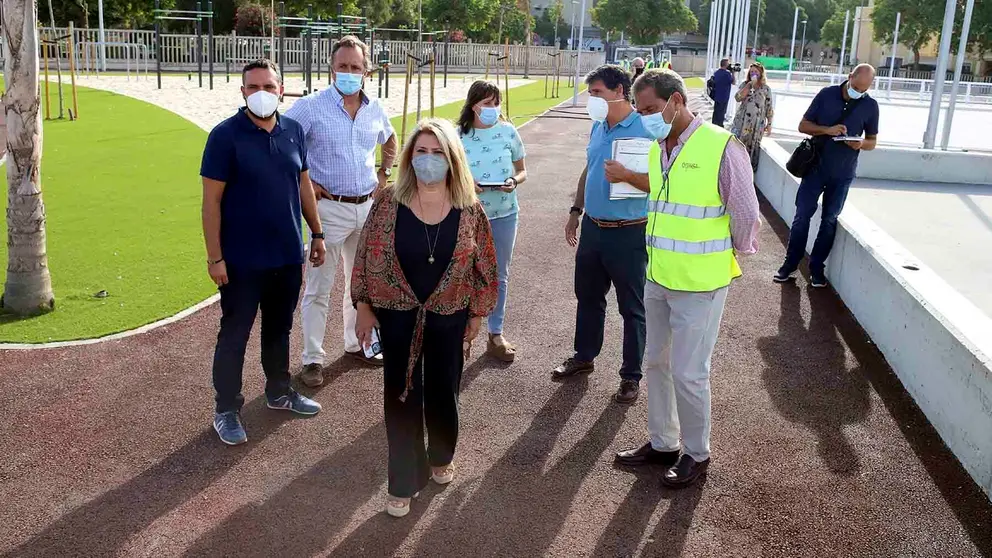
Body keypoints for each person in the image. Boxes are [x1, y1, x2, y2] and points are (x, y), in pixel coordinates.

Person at [614, 69, 761, 487]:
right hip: (658, 276)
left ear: (676, 100)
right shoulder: (657, 147)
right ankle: (663, 443)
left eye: (650, 108)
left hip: (700, 283)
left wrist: (734, 254)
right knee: (656, 362)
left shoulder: (720, 145)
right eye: (640, 109)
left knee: (689, 371)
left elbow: (745, 211)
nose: (645, 117)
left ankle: (697, 453)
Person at [352, 118, 498, 518]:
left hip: (449, 313)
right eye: (421, 151)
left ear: (452, 159)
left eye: (438, 152)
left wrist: (478, 313)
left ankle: (441, 454)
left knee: (442, 390)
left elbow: (485, 263)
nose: (429, 160)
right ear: (408, 157)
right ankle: (402, 480)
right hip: (396, 315)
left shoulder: (470, 208)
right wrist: (363, 305)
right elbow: (366, 254)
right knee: (400, 397)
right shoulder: (387, 201)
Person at [200, 59, 327, 446]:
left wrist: (317, 233)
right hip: (240, 261)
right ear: (242, 93)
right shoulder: (225, 136)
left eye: (268, 87)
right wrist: (215, 257)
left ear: (281, 90)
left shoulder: (293, 131)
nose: (261, 94)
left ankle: (278, 391)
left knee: (279, 329)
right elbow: (210, 203)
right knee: (235, 333)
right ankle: (226, 408)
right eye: (252, 87)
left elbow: (303, 185)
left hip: (287, 255)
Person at [285, 35, 399, 387]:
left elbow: (391, 140)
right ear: (331, 68)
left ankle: (357, 344)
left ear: (367, 71)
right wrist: (306, 182)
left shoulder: (374, 108)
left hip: (366, 207)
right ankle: (312, 360)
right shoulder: (310, 107)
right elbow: (281, 140)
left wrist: (384, 172)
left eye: (356, 67)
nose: (349, 72)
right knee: (319, 286)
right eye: (343, 66)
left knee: (361, 284)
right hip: (327, 210)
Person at [555, 64, 653, 404]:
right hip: (594, 229)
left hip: (629, 233)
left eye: (596, 92)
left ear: (619, 92)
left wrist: (627, 175)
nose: (591, 99)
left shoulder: (647, 128)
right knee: (588, 298)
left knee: (632, 308)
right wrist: (575, 211)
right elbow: (590, 168)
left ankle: (630, 376)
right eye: (590, 93)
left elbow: (662, 183)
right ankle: (584, 357)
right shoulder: (598, 126)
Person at [774, 64, 878, 288]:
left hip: (843, 174)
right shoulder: (827, 94)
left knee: (829, 221)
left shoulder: (870, 105)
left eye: (864, 90)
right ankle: (790, 265)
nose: (859, 93)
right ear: (849, 77)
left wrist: (860, 143)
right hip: (814, 169)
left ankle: (816, 269)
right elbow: (803, 126)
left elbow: (872, 142)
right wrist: (827, 130)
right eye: (856, 88)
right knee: (802, 216)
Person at [457, 81, 528, 362]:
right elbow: (445, 174)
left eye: (496, 103)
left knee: (499, 273)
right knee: (462, 271)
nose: (492, 109)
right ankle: (460, 330)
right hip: (466, 214)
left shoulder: (508, 132)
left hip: (504, 213)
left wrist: (513, 180)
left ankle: (495, 333)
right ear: (473, 105)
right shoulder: (457, 135)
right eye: (487, 103)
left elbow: (522, 171)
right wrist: (466, 183)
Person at [731, 62, 774, 170]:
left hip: (757, 123)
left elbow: (769, 108)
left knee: (753, 147)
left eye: (756, 71)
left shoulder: (766, 89)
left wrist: (769, 124)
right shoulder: (745, 84)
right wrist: (749, 85)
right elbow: (738, 97)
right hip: (742, 121)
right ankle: (735, 168)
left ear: (761, 73)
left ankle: (748, 172)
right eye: (751, 72)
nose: (753, 73)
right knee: (738, 144)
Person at [709, 58, 735, 127]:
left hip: (716, 95)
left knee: (716, 112)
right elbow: (734, 82)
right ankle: (720, 126)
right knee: (722, 112)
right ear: (726, 65)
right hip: (724, 96)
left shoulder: (716, 72)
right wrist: (733, 73)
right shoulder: (727, 74)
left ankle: (714, 124)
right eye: (728, 64)